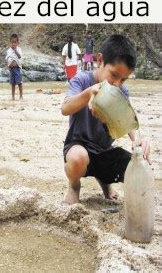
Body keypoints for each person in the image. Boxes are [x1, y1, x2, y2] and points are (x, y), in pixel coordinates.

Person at [61, 34, 151, 205]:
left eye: (123, 79)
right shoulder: (82, 80)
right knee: (78, 157)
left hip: (104, 151)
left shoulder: (121, 92)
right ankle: (73, 186)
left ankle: (105, 183)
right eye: (114, 75)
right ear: (100, 61)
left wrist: (138, 138)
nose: (117, 84)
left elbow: (127, 119)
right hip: (79, 147)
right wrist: (88, 93)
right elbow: (65, 108)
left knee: (136, 166)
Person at [6, 34, 23, 100]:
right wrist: (8, 66)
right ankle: (13, 96)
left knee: (19, 82)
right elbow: (7, 58)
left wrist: (15, 51)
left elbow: (19, 56)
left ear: (17, 43)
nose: (13, 44)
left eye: (15, 42)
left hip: (17, 68)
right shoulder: (9, 50)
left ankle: (21, 96)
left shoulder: (19, 49)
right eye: (12, 42)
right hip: (11, 69)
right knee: (12, 83)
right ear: (10, 43)